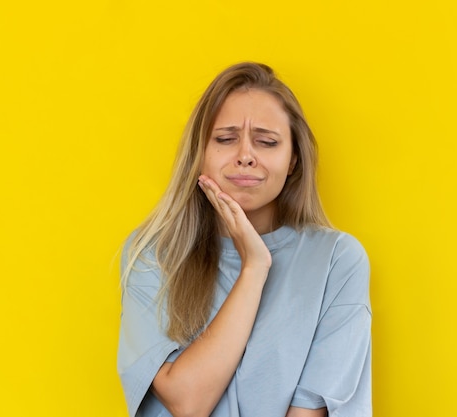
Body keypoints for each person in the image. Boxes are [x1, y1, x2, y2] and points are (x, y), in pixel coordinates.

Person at [117, 62, 371, 417]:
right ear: (200, 153)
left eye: (267, 142)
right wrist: (254, 268)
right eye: (225, 139)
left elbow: (309, 412)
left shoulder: (336, 261)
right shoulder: (152, 255)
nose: (246, 156)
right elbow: (187, 402)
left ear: (293, 159)